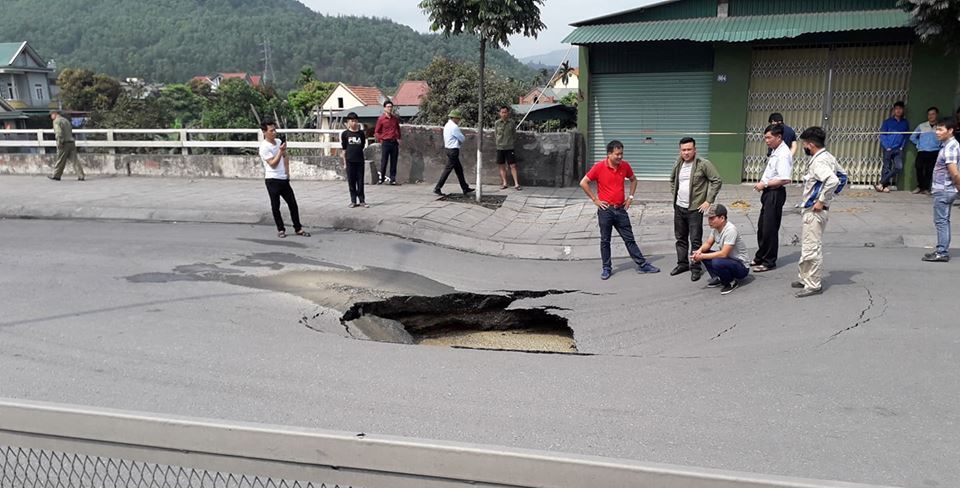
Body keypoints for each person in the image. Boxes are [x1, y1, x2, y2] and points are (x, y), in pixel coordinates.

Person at [579, 140, 660, 280]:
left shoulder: (625, 166)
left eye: (621, 153)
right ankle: (606, 268)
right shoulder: (599, 167)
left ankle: (642, 264)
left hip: (620, 209)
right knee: (605, 240)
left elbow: (634, 180)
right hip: (606, 210)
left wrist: (630, 197)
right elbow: (583, 182)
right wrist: (595, 200)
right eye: (617, 154)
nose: (620, 157)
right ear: (609, 154)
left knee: (629, 239)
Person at [792, 126, 845, 298]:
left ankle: (813, 284)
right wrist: (828, 198)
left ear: (810, 145)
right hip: (815, 209)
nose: (804, 148)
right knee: (808, 244)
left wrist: (821, 201)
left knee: (811, 248)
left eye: (804, 145)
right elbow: (843, 177)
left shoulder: (819, 161)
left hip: (814, 211)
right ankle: (804, 277)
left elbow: (833, 179)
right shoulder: (828, 157)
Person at [669, 137, 722, 282]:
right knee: (680, 238)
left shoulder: (703, 164)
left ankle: (696, 268)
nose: (686, 153)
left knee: (695, 239)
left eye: (689, 149)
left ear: (695, 150)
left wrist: (708, 201)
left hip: (694, 210)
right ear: (680, 151)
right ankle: (682, 264)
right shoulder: (678, 163)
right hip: (679, 207)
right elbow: (672, 180)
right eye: (683, 150)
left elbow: (717, 180)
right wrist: (675, 194)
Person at [751, 124, 793, 272]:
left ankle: (769, 261)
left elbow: (784, 179)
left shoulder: (783, 154)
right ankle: (760, 256)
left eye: (769, 137)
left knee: (770, 228)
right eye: (765, 138)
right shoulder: (775, 151)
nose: (767, 141)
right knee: (762, 227)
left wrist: (764, 183)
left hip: (775, 193)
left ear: (779, 137)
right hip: (768, 193)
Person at [259, 120, 309, 238]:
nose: (274, 132)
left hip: (283, 178)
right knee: (276, 206)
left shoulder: (278, 141)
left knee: (293, 204)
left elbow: (286, 157)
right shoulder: (264, 147)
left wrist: (287, 172)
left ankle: (298, 228)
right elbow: (273, 164)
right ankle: (281, 229)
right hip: (272, 179)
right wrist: (280, 151)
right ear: (264, 132)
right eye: (271, 131)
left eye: (275, 130)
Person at [922, 117, 960, 262]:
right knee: (944, 220)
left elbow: (954, 172)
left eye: (940, 129)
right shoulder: (950, 145)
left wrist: (958, 187)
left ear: (950, 131)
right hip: (946, 189)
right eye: (936, 129)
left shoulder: (950, 147)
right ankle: (941, 249)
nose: (937, 132)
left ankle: (942, 252)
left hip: (944, 190)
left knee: (941, 221)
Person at [692, 204, 749, 295]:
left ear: (722, 218)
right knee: (704, 252)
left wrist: (702, 256)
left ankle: (731, 282)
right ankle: (720, 278)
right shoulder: (715, 229)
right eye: (709, 218)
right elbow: (708, 243)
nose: (709, 221)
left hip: (741, 267)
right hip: (729, 261)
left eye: (712, 218)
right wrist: (699, 251)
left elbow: (723, 254)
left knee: (716, 261)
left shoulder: (730, 230)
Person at [434, 109, 475, 196]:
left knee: (459, 170)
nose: (459, 121)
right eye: (458, 119)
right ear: (455, 118)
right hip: (453, 150)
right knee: (448, 170)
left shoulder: (447, 125)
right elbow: (462, 138)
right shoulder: (454, 127)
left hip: (448, 149)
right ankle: (438, 187)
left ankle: (465, 187)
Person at [876, 101, 909, 192]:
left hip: (898, 149)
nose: (898, 111)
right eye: (896, 109)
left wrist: (902, 146)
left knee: (899, 167)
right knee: (886, 167)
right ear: (894, 110)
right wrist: (887, 146)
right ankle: (884, 186)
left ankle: (881, 183)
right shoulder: (887, 122)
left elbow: (906, 135)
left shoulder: (905, 123)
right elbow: (882, 135)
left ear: (903, 111)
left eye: (900, 109)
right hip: (888, 148)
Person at [910, 107, 941, 194]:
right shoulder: (922, 126)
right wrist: (918, 144)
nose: (931, 116)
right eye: (929, 114)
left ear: (937, 115)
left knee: (929, 170)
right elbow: (912, 137)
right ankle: (920, 187)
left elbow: (943, 138)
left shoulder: (940, 127)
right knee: (919, 168)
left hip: (934, 151)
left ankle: (926, 188)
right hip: (922, 151)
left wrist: (940, 146)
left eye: (933, 114)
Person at [341, 112, 368, 208]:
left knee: (360, 181)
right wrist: (344, 162)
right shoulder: (345, 134)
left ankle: (362, 200)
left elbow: (362, 145)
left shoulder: (361, 133)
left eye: (356, 121)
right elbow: (344, 149)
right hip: (349, 160)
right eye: (352, 121)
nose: (354, 123)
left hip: (359, 160)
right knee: (351, 181)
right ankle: (353, 200)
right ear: (348, 122)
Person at [47, 111, 85, 181]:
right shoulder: (66, 120)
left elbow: (59, 133)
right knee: (75, 160)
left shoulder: (56, 121)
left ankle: (56, 175)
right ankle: (81, 175)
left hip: (64, 143)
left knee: (60, 160)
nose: (51, 117)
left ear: (55, 114)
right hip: (71, 142)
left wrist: (59, 143)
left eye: (51, 115)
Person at [374, 100, 401, 185]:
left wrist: (399, 137)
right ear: (384, 108)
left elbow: (398, 129)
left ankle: (392, 179)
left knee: (394, 161)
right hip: (385, 142)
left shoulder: (394, 119)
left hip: (394, 142)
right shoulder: (381, 119)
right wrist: (381, 139)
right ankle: (381, 178)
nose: (390, 108)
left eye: (391, 107)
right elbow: (377, 131)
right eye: (388, 107)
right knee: (384, 161)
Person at [494, 106, 521, 191]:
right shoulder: (497, 123)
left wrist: (511, 142)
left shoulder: (512, 123)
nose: (504, 114)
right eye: (502, 112)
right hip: (500, 147)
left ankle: (516, 184)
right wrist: (498, 142)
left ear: (508, 113)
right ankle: (504, 183)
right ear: (500, 113)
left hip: (509, 147)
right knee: (501, 165)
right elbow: (495, 134)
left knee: (513, 165)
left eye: (505, 112)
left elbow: (514, 135)